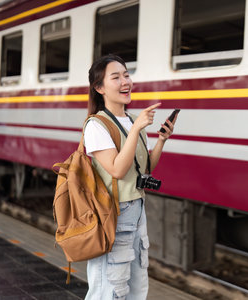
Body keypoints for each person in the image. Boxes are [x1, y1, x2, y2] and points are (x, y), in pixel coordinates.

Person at [83, 54, 176, 300]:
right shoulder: (97, 125)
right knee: (109, 288)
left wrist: (162, 140)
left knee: (136, 287)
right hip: (113, 212)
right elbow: (116, 169)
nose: (125, 82)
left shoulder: (133, 120)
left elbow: (144, 168)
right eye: (116, 77)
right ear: (99, 87)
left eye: (126, 74)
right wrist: (135, 130)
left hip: (137, 208)